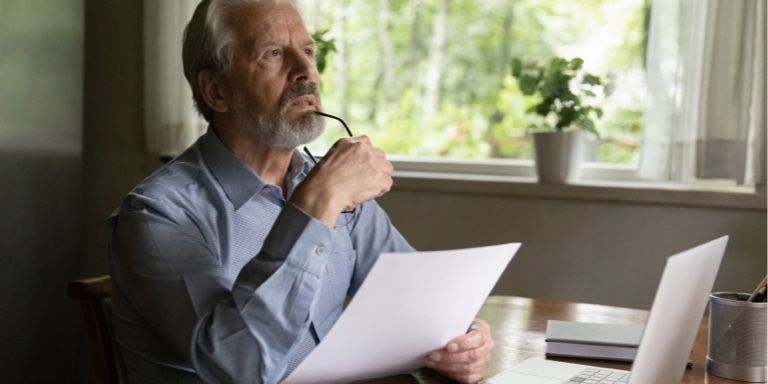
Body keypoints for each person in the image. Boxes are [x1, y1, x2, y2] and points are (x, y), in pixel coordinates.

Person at [107, 0, 495, 383]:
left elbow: (421, 305)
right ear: (216, 90)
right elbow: (240, 368)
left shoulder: (330, 183)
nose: (306, 71)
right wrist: (316, 204)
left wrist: (466, 341)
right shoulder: (157, 214)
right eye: (273, 53)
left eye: (308, 51)